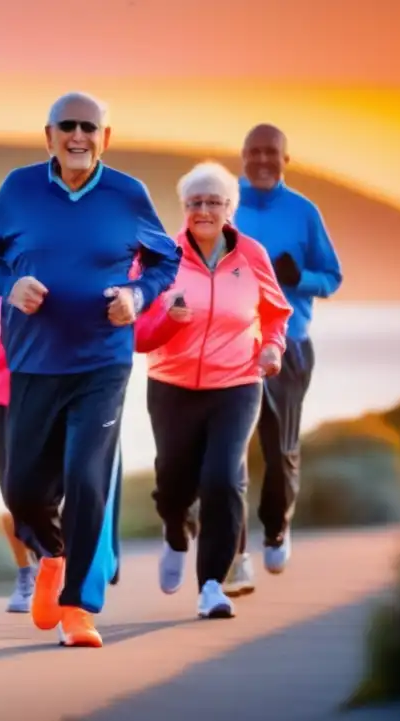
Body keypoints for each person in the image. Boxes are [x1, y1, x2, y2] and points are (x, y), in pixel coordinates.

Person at [0, 92, 181, 648]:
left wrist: (137, 295)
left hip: (103, 362)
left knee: (87, 481)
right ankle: (53, 556)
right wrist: (9, 285)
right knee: (22, 492)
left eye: (90, 127)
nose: (79, 136)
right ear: (49, 136)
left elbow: (165, 259)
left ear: (106, 138)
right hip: (35, 362)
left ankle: (78, 610)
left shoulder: (127, 194)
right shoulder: (18, 189)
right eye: (68, 126)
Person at [134, 161, 292, 619]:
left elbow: (277, 314)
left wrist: (272, 350)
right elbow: (138, 334)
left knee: (223, 479)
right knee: (173, 480)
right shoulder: (159, 256)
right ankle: (175, 531)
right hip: (171, 383)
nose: (203, 210)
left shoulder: (252, 256)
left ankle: (211, 586)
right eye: (194, 202)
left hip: (237, 383)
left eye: (213, 202)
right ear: (183, 208)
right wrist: (168, 319)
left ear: (230, 209)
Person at [225, 124, 343, 595]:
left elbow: (332, 278)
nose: (261, 159)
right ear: (242, 155)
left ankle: (276, 527)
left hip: (289, 344)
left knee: (278, 450)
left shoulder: (303, 212)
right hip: (228, 342)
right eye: (254, 151)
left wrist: (301, 277)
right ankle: (234, 556)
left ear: (285, 159)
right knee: (228, 452)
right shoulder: (223, 201)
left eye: (271, 152)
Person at [0, 290, 38, 613]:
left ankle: (53, 567)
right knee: (10, 493)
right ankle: (26, 571)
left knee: (48, 491)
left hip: (45, 398)